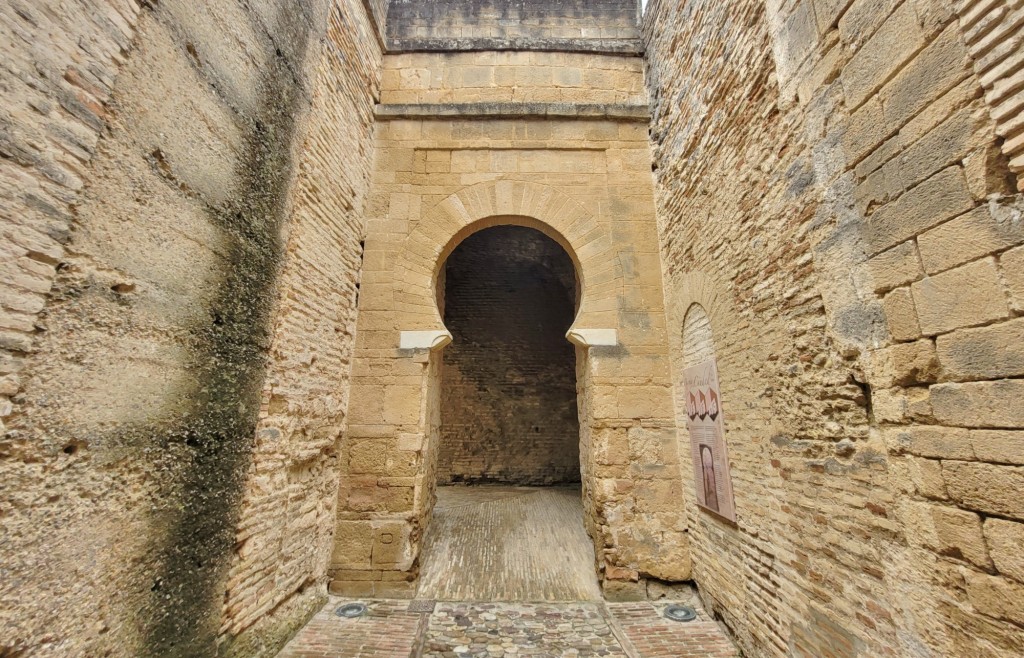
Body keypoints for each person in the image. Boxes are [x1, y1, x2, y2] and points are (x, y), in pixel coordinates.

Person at [700, 444, 719, 511]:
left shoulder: (707, 451)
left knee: (712, 485)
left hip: (709, 470)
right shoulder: (705, 451)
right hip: (706, 469)